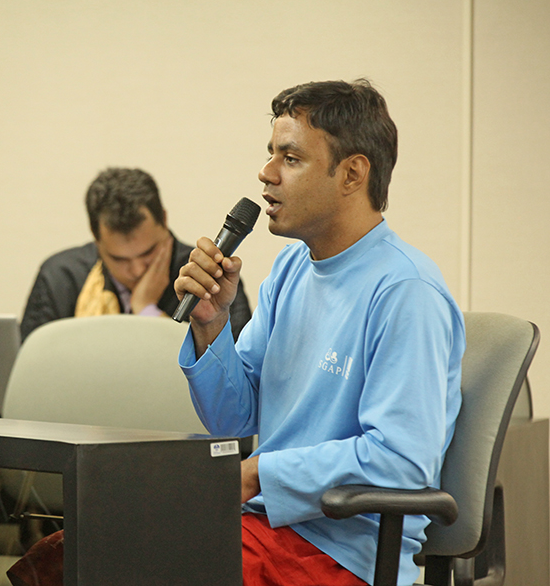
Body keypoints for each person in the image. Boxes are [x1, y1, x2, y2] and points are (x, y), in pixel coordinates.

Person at [174, 79, 465, 585]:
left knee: (134, 563)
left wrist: (258, 474)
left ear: (352, 173)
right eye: (271, 154)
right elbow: (233, 420)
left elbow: (401, 461)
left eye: (290, 158)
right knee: (78, 549)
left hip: (342, 553)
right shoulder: (290, 270)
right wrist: (212, 324)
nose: (266, 173)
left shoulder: (406, 290)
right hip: (264, 528)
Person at [19, 166, 252, 341]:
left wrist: (146, 309)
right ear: (95, 237)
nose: (137, 270)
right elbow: (30, 369)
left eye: (148, 252)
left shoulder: (207, 276)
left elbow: (236, 372)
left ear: (164, 220)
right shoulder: (60, 278)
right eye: (118, 259)